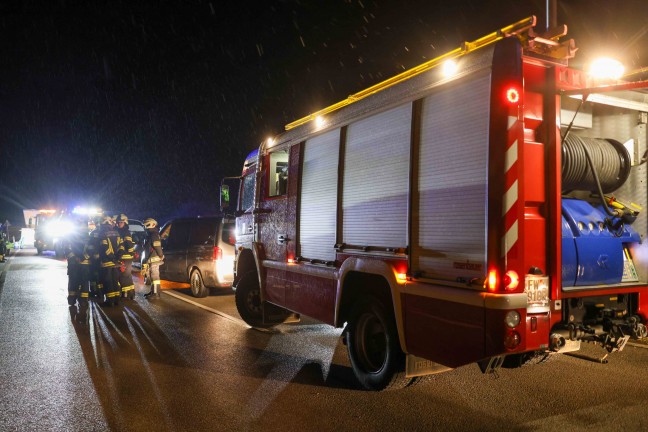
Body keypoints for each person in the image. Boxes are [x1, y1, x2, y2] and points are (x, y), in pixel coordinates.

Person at [97, 216, 122, 306]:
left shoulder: (102, 233)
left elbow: (105, 248)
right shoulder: (116, 232)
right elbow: (121, 246)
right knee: (115, 280)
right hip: (115, 262)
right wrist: (118, 257)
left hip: (107, 261)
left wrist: (112, 257)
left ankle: (110, 301)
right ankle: (116, 300)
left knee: (108, 281)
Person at [115, 214, 135, 299]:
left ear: (125, 223)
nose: (119, 224)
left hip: (125, 257)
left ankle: (126, 294)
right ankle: (130, 294)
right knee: (126, 275)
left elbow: (129, 245)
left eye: (121, 222)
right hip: (123, 256)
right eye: (118, 222)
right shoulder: (119, 231)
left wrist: (127, 253)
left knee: (124, 275)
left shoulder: (126, 232)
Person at [143, 218, 164, 299]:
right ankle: (153, 292)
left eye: (147, 225)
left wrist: (161, 255)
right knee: (152, 277)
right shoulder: (151, 234)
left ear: (153, 224)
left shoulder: (153, 234)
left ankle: (155, 294)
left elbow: (157, 245)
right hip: (151, 259)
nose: (146, 227)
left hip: (154, 260)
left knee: (154, 277)